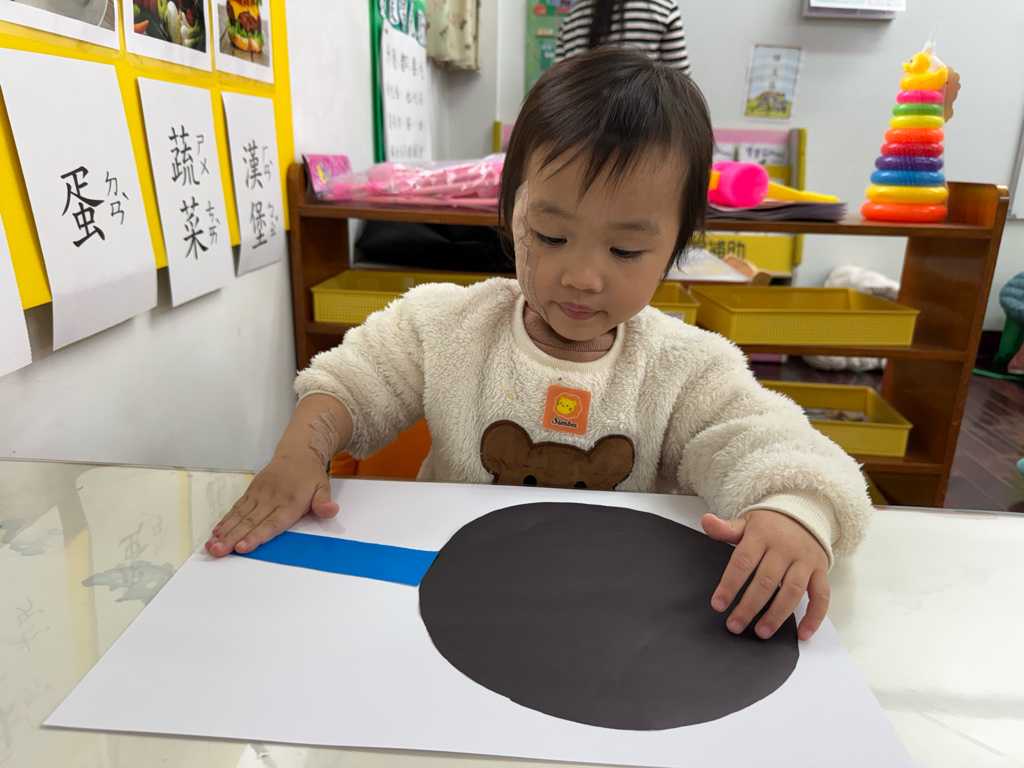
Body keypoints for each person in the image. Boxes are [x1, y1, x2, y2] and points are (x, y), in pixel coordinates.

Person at [207, 47, 872, 643]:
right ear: (511, 211)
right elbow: (350, 381)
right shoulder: (446, 324)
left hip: (614, 614)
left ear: (676, 246)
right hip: (449, 591)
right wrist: (301, 452)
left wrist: (794, 512)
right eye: (550, 236)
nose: (581, 276)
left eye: (626, 250)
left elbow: (775, 444)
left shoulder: (686, 368)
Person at [554, 0, 690, 76]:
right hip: (647, 117)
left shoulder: (572, 17)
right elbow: (682, 88)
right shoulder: (663, 7)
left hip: (583, 118)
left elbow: (556, 87)